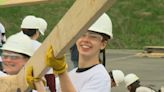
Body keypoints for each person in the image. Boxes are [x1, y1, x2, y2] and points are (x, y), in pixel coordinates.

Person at [43, 13, 113, 92]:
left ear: (103, 44)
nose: (85, 40)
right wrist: (37, 82)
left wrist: (61, 71)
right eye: (82, 35)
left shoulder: (100, 78)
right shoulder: (71, 75)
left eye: (93, 36)